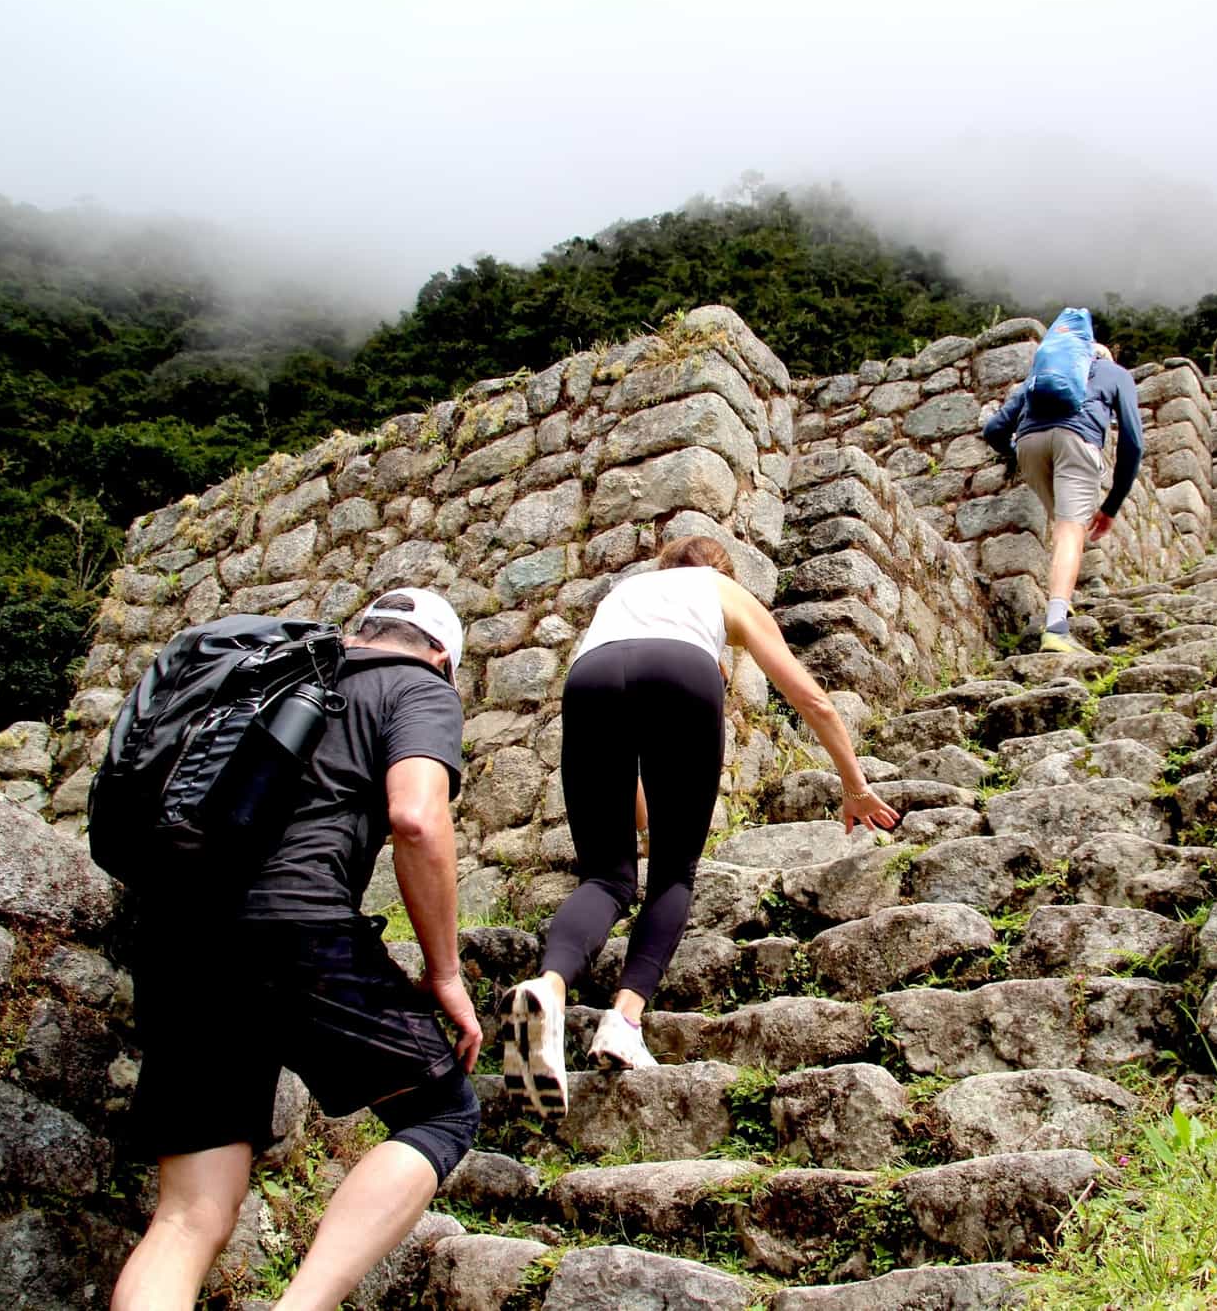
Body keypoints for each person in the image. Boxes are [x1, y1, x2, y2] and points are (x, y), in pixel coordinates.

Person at [113, 588, 482, 1311]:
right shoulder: (419, 686)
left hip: (176, 934)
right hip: (294, 924)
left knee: (189, 1216)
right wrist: (444, 973)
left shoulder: (273, 674)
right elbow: (415, 817)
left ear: (364, 629)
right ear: (442, 654)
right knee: (442, 1114)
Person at [501, 536, 899, 1117]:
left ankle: (548, 989)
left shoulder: (625, 593)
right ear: (723, 570)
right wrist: (855, 785)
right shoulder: (722, 590)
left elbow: (631, 752)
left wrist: (644, 811)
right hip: (682, 674)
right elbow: (814, 700)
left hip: (590, 680)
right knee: (672, 874)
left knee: (606, 879)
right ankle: (624, 1021)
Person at [982, 327, 1146, 653]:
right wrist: (1111, 506)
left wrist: (1016, 452)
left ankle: (1063, 596)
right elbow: (1133, 443)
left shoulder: (1041, 374)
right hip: (1077, 440)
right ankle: (1056, 627)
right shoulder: (1115, 373)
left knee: (1061, 523)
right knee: (1071, 530)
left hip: (1029, 443)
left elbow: (994, 428)